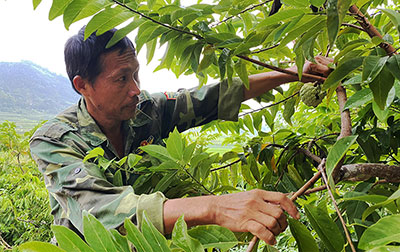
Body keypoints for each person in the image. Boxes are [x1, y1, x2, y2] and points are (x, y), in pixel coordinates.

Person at [29, 26, 332, 246]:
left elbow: (208, 97)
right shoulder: (55, 140)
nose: (135, 88)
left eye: (136, 74)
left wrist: (292, 72)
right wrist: (215, 207)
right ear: (82, 85)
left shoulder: (145, 110)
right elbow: (98, 211)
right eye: (121, 78)